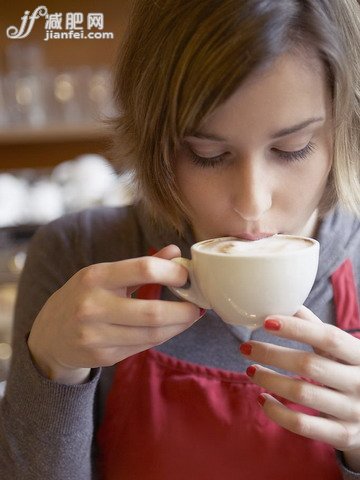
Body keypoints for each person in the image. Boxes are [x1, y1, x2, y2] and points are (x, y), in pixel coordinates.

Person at [1, 0, 360, 478]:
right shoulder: (79, 256)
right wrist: (50, 367)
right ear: (155, 139)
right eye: (208, 154)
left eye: (292, 149)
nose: (252, 203)